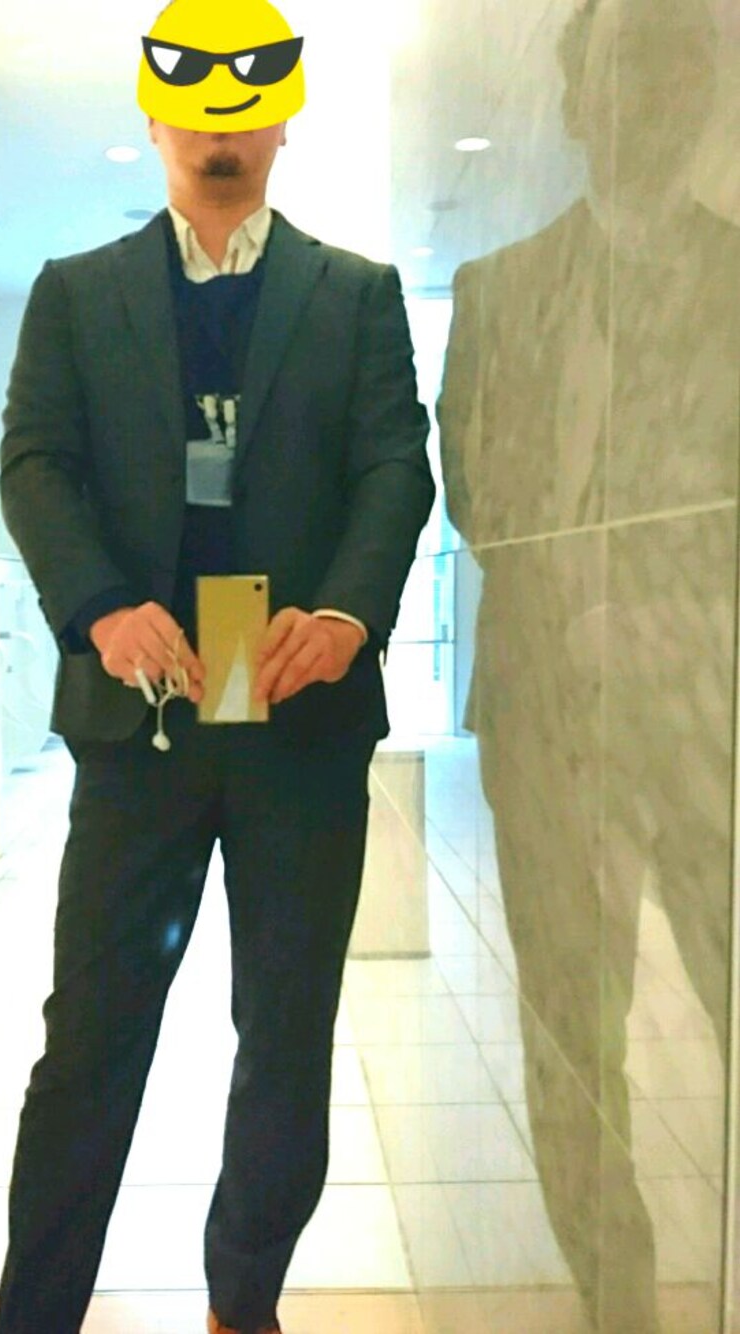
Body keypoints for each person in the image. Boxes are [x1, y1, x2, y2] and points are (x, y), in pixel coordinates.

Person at [0, 56, 434, 1334]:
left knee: (285, 1037)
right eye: (192, 105)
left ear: (283, 117)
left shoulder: (355, 294)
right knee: (90, 1040)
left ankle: (244, 1303)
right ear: (154, 115)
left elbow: (395, 467)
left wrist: (346, 615)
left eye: (243, 105)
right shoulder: (77, 293)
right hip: (142, 717)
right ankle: (36, 1315)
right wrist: (97, 607)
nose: (217, 130)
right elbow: (34, 461)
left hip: (301, 717)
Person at [438, 0, 739, 1328]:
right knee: (570, 1041)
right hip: (548, 720)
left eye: (677, 66)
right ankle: (619, 1301)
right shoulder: (499, 294)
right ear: (572, 99)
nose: (651, 95)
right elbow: (476, 494)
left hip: (714, 720)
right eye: (624, 67)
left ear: (707, 93)